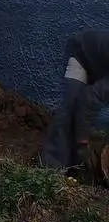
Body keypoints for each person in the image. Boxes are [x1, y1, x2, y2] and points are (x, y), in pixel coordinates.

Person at [39, 30, 109, 171]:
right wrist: (84, 136)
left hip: (101, 65)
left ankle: (76, 165)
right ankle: (51, 167)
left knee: (83, 120)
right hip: (81, 55)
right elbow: (89, 99)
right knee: (69, 109)